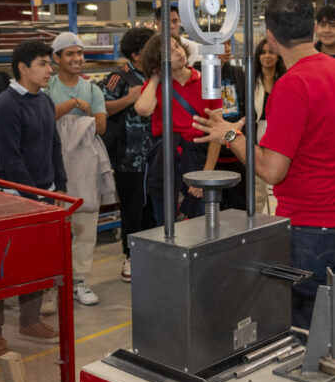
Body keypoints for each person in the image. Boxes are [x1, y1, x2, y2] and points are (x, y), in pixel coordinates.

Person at [192, 0, 335, 329]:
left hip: (311, 230)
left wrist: (230, 135)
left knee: (306, 332)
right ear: (314, 27)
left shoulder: (293, 85)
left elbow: (272, 170)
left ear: (270, 37)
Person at [0, 39, 66, 354]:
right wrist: (35, 198)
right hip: (15, 199)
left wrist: (59, 184)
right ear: (23, 67)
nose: (50, 69)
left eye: (49, 63)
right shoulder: (7, 106)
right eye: (43, 63)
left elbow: (54, 145)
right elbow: (11, 160)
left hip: (42, 195)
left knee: (37, 264)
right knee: (1, 269)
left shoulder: (44, 101)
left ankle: (29, 321)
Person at [45, 31, 111, 306]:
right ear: (57, 58)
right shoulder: (48, 87)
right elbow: (45, 118)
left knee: (85, 225)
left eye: (80, 53)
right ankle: (50, 283)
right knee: (53, 227)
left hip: (84, 165)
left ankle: (80, 281)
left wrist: (78, 119)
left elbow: (101, 125)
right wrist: (74, 106)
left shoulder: (92, 89)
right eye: (70, 54)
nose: (77, 59)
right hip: (53, 164)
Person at [135, 33, 222, 224]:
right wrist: (155, 79)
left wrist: (207, 174)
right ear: (158, 61)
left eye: (177, 46)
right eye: (169, 51)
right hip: (165, 160)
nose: (178, 52)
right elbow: (143, 109)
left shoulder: (207, 79)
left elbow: (218, 131)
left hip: (198, 156)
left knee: (203, 223)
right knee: (164, 224)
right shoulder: (156, 86)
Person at [99, 27, 157, 283]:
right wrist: (129, 99)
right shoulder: (119, 77)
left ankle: (154, 255)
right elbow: (100, 109)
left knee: (154, 209)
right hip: (129, 158)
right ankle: (131, 256)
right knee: (132, 210)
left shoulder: (158, 74)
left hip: (157, 155)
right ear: (135, 54)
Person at [252, 38, 285, 213]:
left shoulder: (286, 79)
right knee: (258, 185)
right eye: (263, 52)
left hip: (280, 133)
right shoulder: (250, 80)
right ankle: (256, 222)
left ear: (278, 56)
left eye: (271, 52)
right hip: (257, 133)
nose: (267, 56)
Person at [215, 40, 248, 212]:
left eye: (229, 44)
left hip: (237, 154)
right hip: (210, 158)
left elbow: (247, 113)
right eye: (222, 44)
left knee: (240, 210)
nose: (228, 49)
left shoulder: (238, 73)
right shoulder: (199, 74)